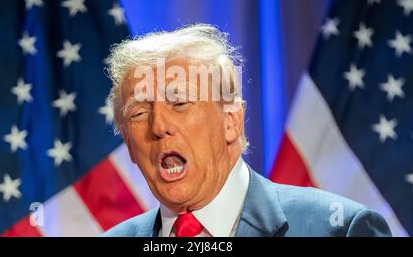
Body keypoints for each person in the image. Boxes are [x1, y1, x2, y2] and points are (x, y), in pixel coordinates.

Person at [102, 24, 391, 237]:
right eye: (139, 113)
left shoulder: (339, 229)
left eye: (179, 102)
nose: (159, 126)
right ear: (128, 144)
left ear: (231, 121)